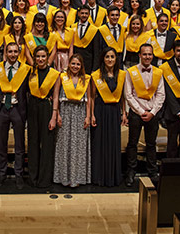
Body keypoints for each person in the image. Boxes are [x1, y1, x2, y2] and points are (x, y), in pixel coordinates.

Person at [124, 43, 165, 186]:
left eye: (149, 54)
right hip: (136, 113)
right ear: (139, 55)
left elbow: (161, 95)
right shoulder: (131, 72)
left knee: (151, 144)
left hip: (153, 113)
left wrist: (152, 112)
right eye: (144, 54)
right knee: (132, 144)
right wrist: (141, 112)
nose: (147, 57)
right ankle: (131, 172)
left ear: (152, 56)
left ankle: (152, 172)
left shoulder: (158, 72)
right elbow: (128, 95)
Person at [0, 42, 31, 189]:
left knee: (19, 145)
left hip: (17, 109)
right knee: (1, 144)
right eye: (10, 52)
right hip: (2, 109)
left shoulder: (25, 70)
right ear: (6, 53)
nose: (13, 54)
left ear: (19, 53)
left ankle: (18, 175)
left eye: (15, 52)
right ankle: (1, 174)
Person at [51, 54, 92, 187]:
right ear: (69, 64)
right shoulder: (62, 77)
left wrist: (88, 116)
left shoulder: (86, 79)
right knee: (64, 145)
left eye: (78, 64)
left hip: (80, 114)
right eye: (73, 64)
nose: (75, 66)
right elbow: (56, 96)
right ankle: (64, 177)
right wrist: (57, 114)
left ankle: (77, 178)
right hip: (65, 112)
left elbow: (89, 99)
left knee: (79, 146)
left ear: (81, 66)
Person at [90, 47, 127, 186]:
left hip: (114, 111)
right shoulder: (96, 75)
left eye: (112, 57)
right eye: (107, 57)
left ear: (116, 59)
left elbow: (123, 96)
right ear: (103, 59)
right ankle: (99, 177)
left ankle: (112, 177)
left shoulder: (122, 75)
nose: (110, 59)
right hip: (100, 111)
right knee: (100, 143)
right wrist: (92, 114)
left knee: (113, 143)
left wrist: (124, 113)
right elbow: (92, 97)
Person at [27, 45, 60, 188]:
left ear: (48, 58)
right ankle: (33, 178)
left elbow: (56, 96)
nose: (40, 59)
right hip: (32, 107)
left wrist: (54, 116)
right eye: (38, 56)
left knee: (47, 144)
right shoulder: (30, 72)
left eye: (43, 56)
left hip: (47, 108)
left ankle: (44, 179)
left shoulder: (54, 74)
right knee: (33, 142)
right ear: (34, 58)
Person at [72, 5, 100, 73]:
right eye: (82, 13)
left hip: (88, 63)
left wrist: (94, 68)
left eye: (86, 13)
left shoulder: (94, 30)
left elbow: (96, 51)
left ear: (89, 14)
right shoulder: (72, 27)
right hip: (74, 62)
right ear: (78, 14)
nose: (84, 15)